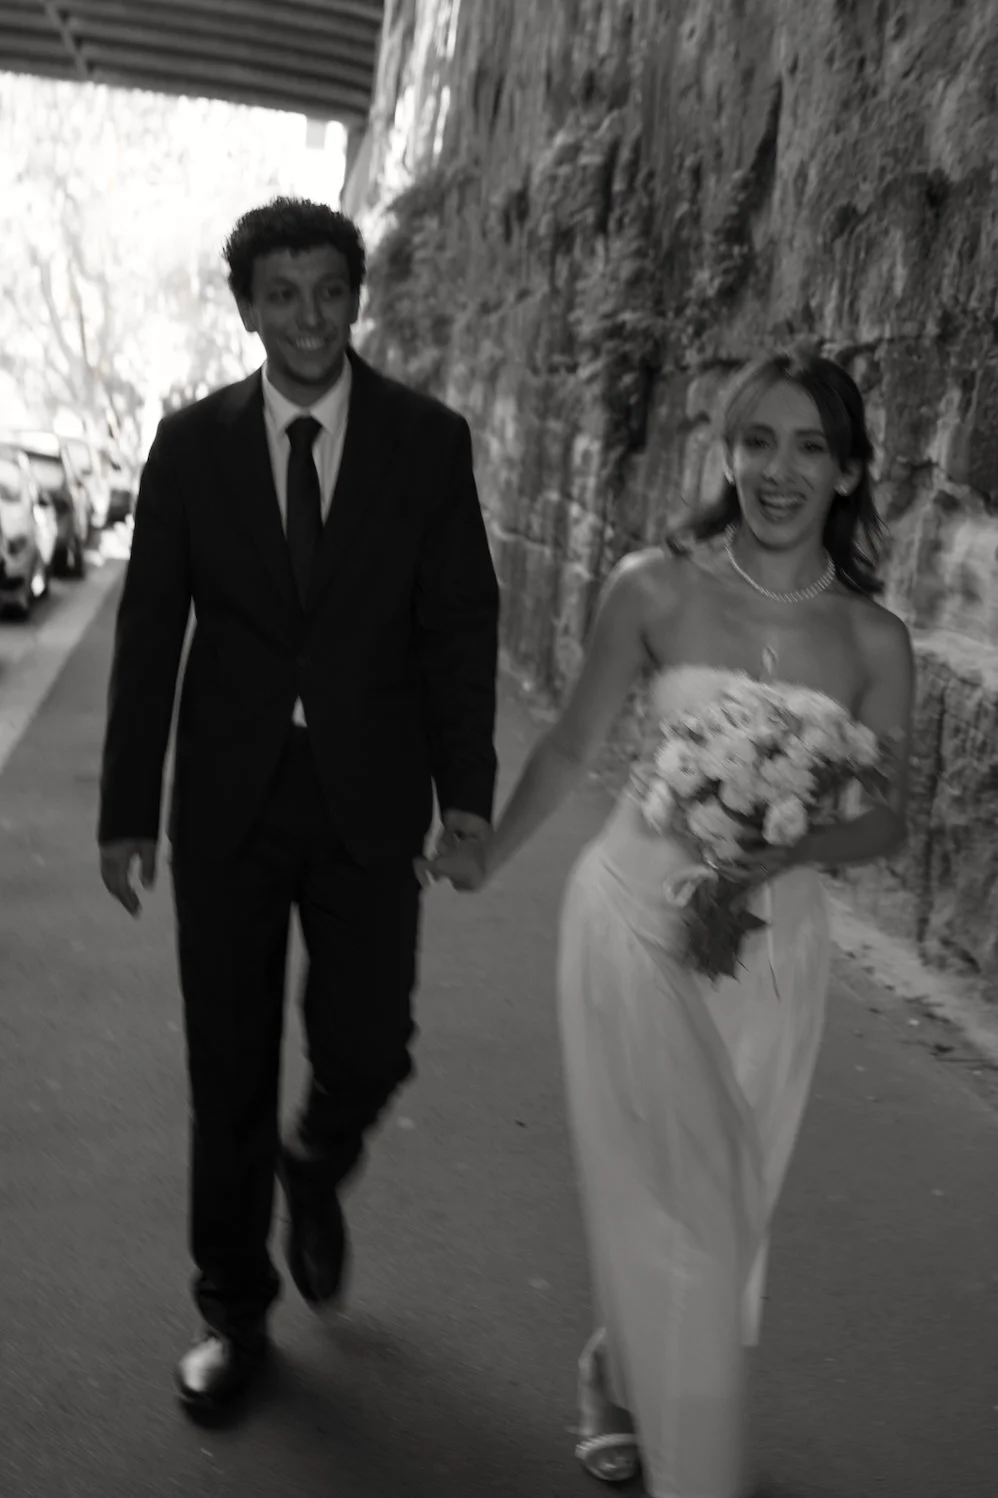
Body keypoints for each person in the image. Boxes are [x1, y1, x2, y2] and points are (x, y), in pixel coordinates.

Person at [423, 349, 913, 1497]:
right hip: (631, 924)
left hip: (773, 949)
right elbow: (568, 744)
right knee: (672, 1187)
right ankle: (688, 1456)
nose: (776, 470)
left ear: (846, 474)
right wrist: (488, 852)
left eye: (807, 448)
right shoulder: (653, 587)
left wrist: (789, 846)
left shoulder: (871, 641)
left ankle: (614, 1356)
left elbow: (884, 821)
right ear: (726, 452)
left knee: (729, 1201)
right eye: (755, 442)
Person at [98, 197, 499, 1415]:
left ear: (355, 297)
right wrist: (127, 810)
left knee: (370, 1043)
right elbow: (149, 631)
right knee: (225, 1065)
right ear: (247, 307)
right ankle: (231, 1312)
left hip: (369, 803)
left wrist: (466, 800)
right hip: (226, 805)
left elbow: (457, 626)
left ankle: (313, 1163)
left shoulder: (427, 443)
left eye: (328, 290)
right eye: (282, 294)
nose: (308, 317)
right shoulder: (189, 446)